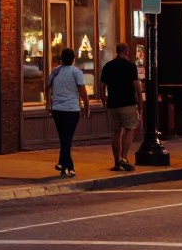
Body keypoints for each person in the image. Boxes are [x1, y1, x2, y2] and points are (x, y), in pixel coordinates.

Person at [46, 47, 90, 177]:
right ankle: (64, 165)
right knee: (67, 138)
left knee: (64, 138)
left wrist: (48, 104)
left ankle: (67, 166)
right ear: (73, 60)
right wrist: (86, 107)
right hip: (72, 109)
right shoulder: (76, 72)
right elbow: (83, 92)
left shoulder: (55, 71)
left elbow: (47, 87)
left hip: (57, 110)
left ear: (61, 59)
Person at [100, 42, 143, 172]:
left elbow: (102, 87)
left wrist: (104, 101)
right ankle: (124, 158)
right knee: (130, 129)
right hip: (128, 103)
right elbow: (137, 88)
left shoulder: (108, 66)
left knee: (115, 132)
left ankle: (116, 161)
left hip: (113, 104)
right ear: (126, 51)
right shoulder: (130, 67)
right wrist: (140, 104)